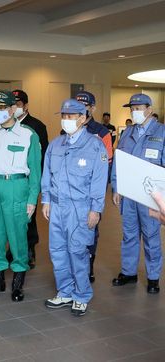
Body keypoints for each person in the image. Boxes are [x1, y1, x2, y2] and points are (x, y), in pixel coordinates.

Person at [42, 99, 108, 317]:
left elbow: (99, 181)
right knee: (58, 252)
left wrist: (95, 209)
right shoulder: (55, 144)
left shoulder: (95, 145)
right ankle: (65, 291)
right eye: (63, 115)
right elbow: (46, 177)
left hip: (80, 209)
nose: (66, 119)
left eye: (70, 116)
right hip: (58, 208)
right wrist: (46, 200)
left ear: (82, 118)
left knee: (78, 252)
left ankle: (81, 294)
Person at [0, 90, 41, 302]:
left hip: (17, 187)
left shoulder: (28, 135)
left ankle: (18, 280)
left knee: (17, 236)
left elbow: (35, 170)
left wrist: (32, 199)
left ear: (13, 109)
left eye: (3, 108)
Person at [111, 93, 165, 294]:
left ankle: (153, 277)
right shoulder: (127, 133)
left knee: (151, 236)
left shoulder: (162, 132)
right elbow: (119, 161)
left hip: (151, 197)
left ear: (149, 109)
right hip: (130, 194)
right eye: (132, 109)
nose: (135, 112)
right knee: (129, 235)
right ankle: (129, 272)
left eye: (139, 108)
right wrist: (116, 187)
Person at [75, 91, 113, 283]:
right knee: (71, 230)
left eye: (85, 106)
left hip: (90, 193)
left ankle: (88, 267)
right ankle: (74, 267)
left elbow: (106, 165)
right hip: (71, 192)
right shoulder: (68, 129)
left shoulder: (102, 132)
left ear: (93, 108)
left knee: (90, 230)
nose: (81, 110)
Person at [11, 90, 49, 268]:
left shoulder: (37, 126)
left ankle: (29, 249)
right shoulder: (7, 125)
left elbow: (43, 157)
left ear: (25, 106)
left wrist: (37, 182)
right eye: (13, 105)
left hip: (28, 179)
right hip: (10, 180)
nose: (15, 108)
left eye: (18, 105)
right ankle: (12, 248)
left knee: (28, 215)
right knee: (11, 215)